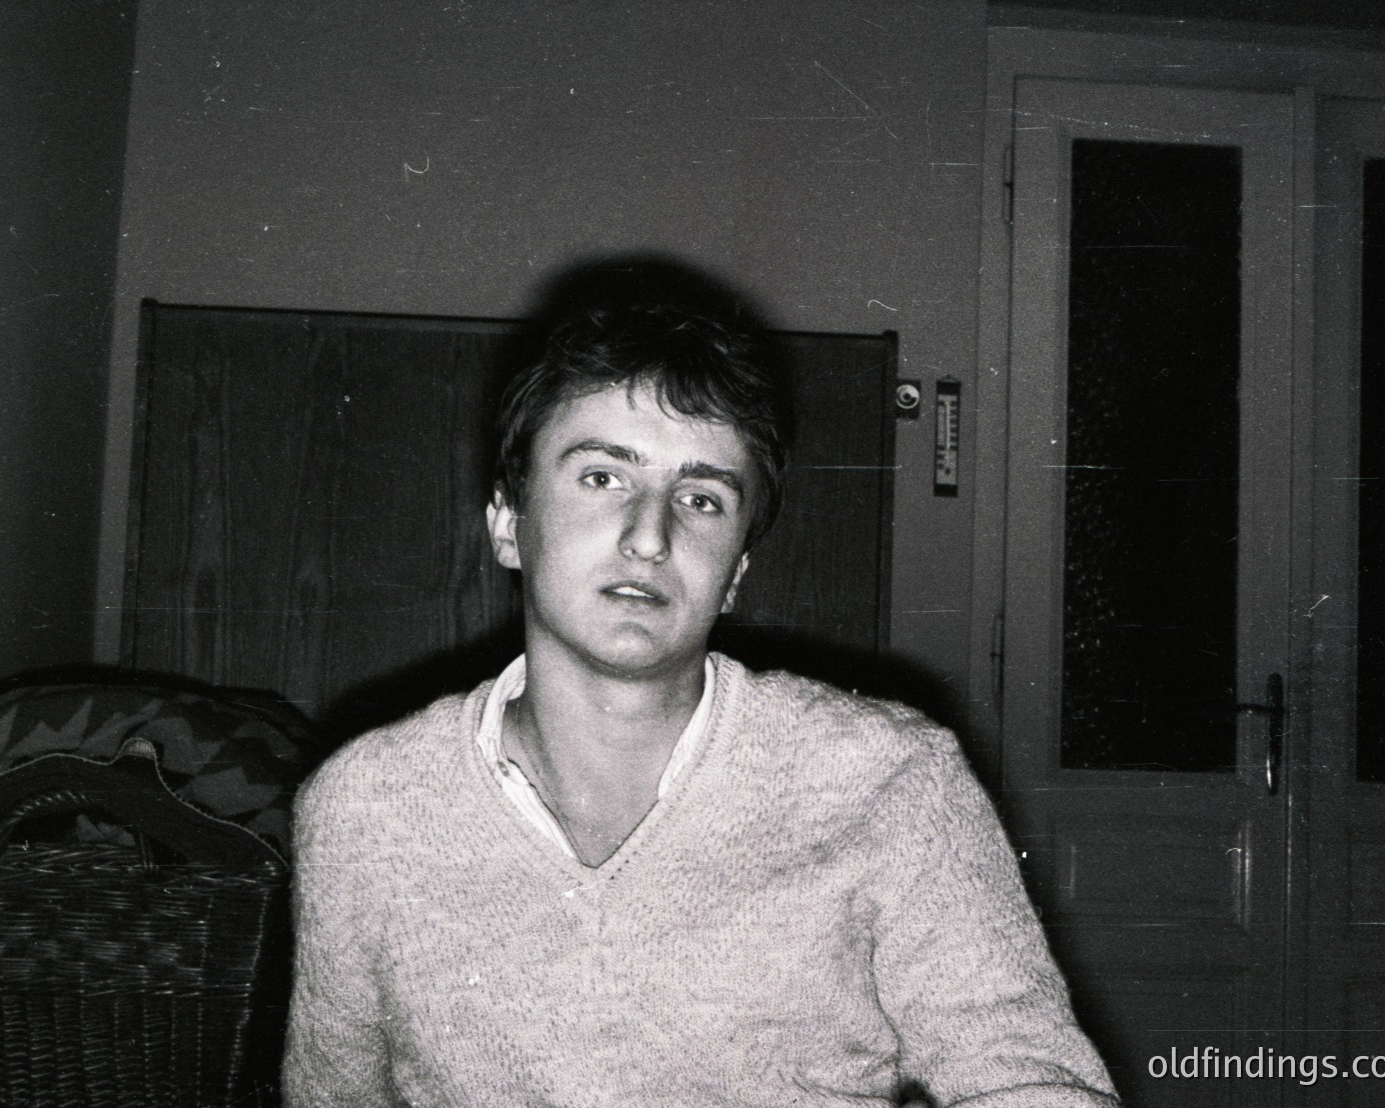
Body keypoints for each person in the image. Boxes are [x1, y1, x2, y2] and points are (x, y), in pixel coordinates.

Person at [282, 302, 1119, 1106]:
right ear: (508, 523)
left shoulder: (889, 778)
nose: (650, 536)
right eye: (603, 476)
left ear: (737, 571)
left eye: (701, 498)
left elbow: (1030, 1080)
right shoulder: (365, 807)